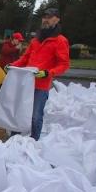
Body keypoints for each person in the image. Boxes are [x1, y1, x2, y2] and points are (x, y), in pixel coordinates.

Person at [9, 8, 70, 140]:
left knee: (35, 116)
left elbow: (64, 65)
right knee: (19, 113)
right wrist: (12, 66)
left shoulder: (60, 41)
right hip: (26, 83)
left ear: (57, 19)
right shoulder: (36, 40)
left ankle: (33, 141)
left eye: (50, 16)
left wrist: (48, 73)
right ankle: (13, 140)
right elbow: (25, 59)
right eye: (44, 17)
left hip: (41, 86)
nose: (46, 19)